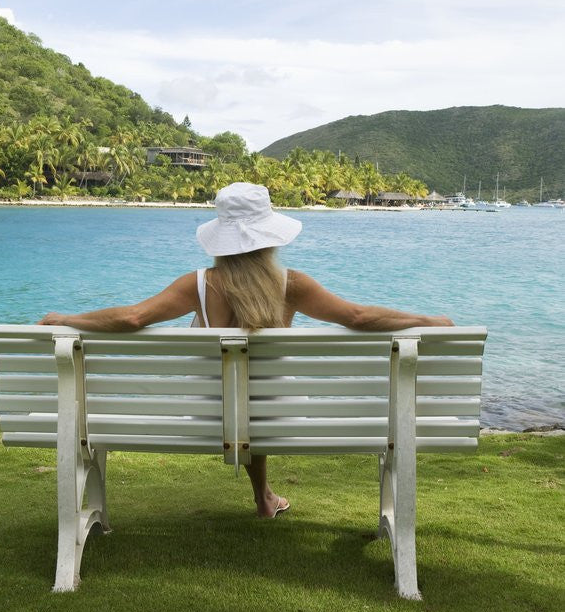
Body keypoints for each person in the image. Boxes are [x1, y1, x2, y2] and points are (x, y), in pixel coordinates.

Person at [39, 182, 453, 519]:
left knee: (240, 396)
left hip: (204, 417)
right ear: (269, 235)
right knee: (260, 397)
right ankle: (263, 499)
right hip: (282, 419)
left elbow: (132, 318)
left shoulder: (197, 284)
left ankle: (264, 496)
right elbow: (359, 318)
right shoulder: (292, 285)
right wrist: (428, 321)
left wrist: (68, 319)